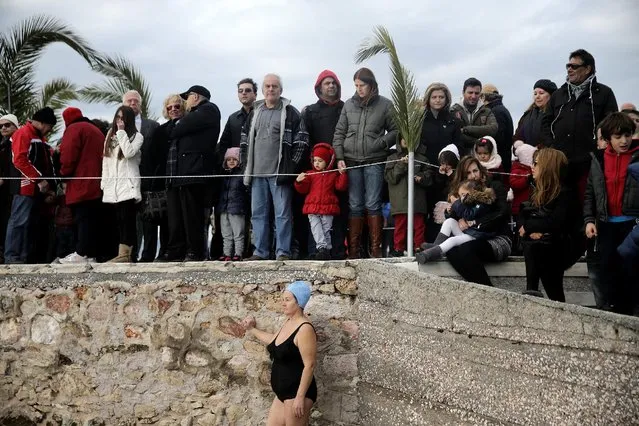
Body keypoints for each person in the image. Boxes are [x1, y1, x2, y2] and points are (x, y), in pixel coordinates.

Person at [333, 67, 398, 258]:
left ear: (371, 85)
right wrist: (339, 157)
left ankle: (376, 250)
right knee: (354, 205)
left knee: (373, 204)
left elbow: (396, 131)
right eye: (356, 85)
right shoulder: (348, 105)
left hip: (375, 160)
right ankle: (354, 250)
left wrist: (382, 143)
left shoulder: (385, 105)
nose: (359, 89)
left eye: (362, 85)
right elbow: (339, 133)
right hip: (351, 161)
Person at [241, 74, 305, 261]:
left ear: (280, 90)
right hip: (257, 174)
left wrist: (291, 166)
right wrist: (246, 165)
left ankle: (282, 251)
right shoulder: (255, 112)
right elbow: (244, 140)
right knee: (258, 215)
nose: (271, 89)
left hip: (279, 174)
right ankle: (260, 252)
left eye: (274, 86)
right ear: (262, 90)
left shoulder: (290, 112)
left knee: (283, 215)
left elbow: (301, 140)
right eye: (267, 86)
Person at [584, 112, 639, 314]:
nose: (624, 141)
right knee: (608, 269)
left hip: (632, 224)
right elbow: (590, 191)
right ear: (608, 138)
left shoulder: (637, 156)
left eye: (627, 135)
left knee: (631, 271)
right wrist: (589, 220)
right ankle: (615, 314)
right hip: (606, 224)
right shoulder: (598, 159)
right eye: (618, 137)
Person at [545, 49, 618, 201]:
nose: (569, 69)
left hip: (589, 162)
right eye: (568, 66)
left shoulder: (604, 93)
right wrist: (550, 147)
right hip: (560, 163)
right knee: (560, 205)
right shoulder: (558, 94)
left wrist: (598, 147)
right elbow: (545, 122)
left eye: (574, 66)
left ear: (588, 69)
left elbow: (611, 123)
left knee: (587, 203)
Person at [241, 281, 317, 425]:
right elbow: (274, 341)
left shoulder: (304, 328)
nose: (283, 303)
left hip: (296, 393)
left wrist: (300, 397)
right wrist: (251, 329)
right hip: (282, 394)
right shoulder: (288, 322)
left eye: (287, 300)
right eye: (283, 300)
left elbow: (310, 365)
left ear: (299, 302)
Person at [165, 85, 221, 262]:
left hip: (196, 172)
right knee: (185, 215)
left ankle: (195, 251)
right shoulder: (198, 113)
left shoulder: (208, 109)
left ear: (195, 96)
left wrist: (180, 123)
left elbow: (178, 129)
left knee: (194, 216)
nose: (185, 103)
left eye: (187, 98)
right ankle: (183, 250)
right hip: (187, 173)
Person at [297, 70, 346, 259]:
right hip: (316, 169)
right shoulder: (310, 111)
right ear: (319, 87)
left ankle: (338, 250)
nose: (331, 86)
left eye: (334, 83)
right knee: (314, 214)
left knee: (338, 212)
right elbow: (305, 139)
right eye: (327, 83)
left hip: (339, 167)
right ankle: (314, 251)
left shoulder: (345, 108)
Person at [441, 157, 512, 286]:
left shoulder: (493, 186)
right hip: (473, 237)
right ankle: (479, 289)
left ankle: (489, 290)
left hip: (498, 238)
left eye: (475, 171)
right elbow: (454, 217)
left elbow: (502, 213)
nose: (473, 176)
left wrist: (473, 222)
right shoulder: (461, 191)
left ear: (481, 170)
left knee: (466, 249)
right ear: (462, 175)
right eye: (468, 173)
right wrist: (450, 210)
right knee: (450, 249)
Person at [518, 148, 573, 302]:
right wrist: (530, 228)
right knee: (533, 244)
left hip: (558, 247)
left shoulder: (565, 192)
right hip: (538, 246)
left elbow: (556, 223)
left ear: (548, 167)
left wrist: (531, 227)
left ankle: (532, 292)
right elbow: (524, 213)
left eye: (536, 163)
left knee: (554, 290)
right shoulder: (538, 189)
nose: (532, 167)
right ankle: (531, 290)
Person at [4, 107, 57, 264]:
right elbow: (19, 160)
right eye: (49, 127)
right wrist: (39, 179)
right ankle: (12, 256)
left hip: (35, 188)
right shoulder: (24, 133)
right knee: (19, 221)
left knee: (29, 224)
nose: (49, 130)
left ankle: (24, 256)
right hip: (24, 186)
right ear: (41, 123)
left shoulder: (37, 137)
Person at [212, 78, 257, 260]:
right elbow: (223, 145)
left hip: (257, 170)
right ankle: (231, 252)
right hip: (236, 175)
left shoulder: (261, 113)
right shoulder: (233, 119)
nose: (244, 93)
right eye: (241, 91)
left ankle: (252, 250)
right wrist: (228, 165)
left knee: (255, 216)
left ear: (255, 93)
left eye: (247, 90)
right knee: (235, 217)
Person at [55, 107, 104, 264]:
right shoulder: (95, 130)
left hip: (80, 182)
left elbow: (68, 155)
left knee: (82, 217)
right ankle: (91, 253)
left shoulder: (74, 129)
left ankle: (81, 253)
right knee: (91, 218)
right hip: (97, 181)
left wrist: (63, 174)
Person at [139, 95, 185, 263]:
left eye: (177, 106)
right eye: (170, 107)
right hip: (163, 181)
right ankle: (160, 252)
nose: (173, 109)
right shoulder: (160, 130)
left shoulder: (188, 127)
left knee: (176, 220)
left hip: (182, 179)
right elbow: (152, 157)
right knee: (163, 218)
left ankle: (173, 250)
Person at [101, 106, 144, 263]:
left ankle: (126, 254)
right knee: (116, 220)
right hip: (113, 186)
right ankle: (118, 254)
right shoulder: (109, 136)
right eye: (117, 117)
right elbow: (106, 160)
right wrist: (104, 183)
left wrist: (121, 132)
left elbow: (128, 153)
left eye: (123, 117)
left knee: (128, 220)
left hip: (128, 185)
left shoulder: (137, 137)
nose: (119, 120)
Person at [417, 179, 497, 263]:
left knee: (452, 240)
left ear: (473, 192)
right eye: (460, 195)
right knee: (449, 221)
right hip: (469, 232)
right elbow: (457, 215)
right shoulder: (469, 202)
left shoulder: (482, 203)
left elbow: (469, 215)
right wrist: (450, 211)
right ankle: (436, 246)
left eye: (463, 195)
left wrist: (456, 203)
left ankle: (430, 254)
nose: (461, 198)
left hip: (476, 236)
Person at [123, 90, 160, 262]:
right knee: (130, 220)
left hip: (147, 178)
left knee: (149, 220)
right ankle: (131, 255)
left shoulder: (152, 125)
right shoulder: (117, 127)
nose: (132, 103)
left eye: (135, 101)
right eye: (129, 101)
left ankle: (148, 256)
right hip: (126, 179)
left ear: (140, 104)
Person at [294, 143, 348, 260]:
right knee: (316, 228)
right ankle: (322, 248)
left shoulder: (332, 174)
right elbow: (303, 190)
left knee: (326, 230)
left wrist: (342, 174)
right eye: (315, 160)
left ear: (327, 161)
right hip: (312, 208)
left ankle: (326, 250)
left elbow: (340, 187)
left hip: (328, 208)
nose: (317, 163)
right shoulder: (310, 174)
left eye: (320, 161)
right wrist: (299, 182)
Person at [385, 137, 430, 256]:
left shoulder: (422, 159)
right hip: (400, 200)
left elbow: (429, 176)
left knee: (419, 225)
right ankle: (398, 248)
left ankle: (419, 247)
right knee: (400, 226)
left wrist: (422, 178)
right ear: (399, 140)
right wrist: (401, 164)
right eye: (404, 138)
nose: (407, 141)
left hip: (417, 200)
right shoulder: (392, 158)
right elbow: (390, 178)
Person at [450, 78, 498, 156]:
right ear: (463, 93)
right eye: (470, 92)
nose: (473, 96)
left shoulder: (487, 111)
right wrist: (479, 141)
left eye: (476, 93)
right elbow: (457, 135)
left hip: (482, 160)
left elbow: (493, 129)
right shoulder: (453, 111)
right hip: (461, 159)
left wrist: (466, 130)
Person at [418, 82, 461, 165]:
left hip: (448, 167)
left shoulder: (454, 121)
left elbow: (458, 146)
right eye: (434, 97)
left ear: (446, 99)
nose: (437, 100)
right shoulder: (420, 120)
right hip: (425, 167)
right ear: (428, 99)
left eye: (441, 97)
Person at [216, 147, 247, 262]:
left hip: (237, 208)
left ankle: (238, 253)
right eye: (229, 159)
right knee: (226, 233)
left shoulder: (241, 175)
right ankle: (227, 253)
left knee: (238, 232)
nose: (231, 162)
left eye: (234, 159)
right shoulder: (223, 176)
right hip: (224, 207)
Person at [513, 79, 557, 148]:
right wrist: (518, 146)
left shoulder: (556, 114)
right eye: (535, 93)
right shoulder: (527, 115)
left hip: (547, 156)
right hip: (525, 156)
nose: (537, 96)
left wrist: (536, 150)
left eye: (541, 93)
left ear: (551, 95)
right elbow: (518, 135)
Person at [480, 84, 513, 172]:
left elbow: (498, 137)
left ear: (484, 97)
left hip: (498, 162)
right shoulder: (502, 109)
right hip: (504, 157)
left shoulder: (495, 112)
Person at [0, 114, 19, 263]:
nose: (3, 128)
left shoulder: (17, 143)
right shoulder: (3, 145)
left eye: (7, 125)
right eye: (1, 126)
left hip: (14, 190)